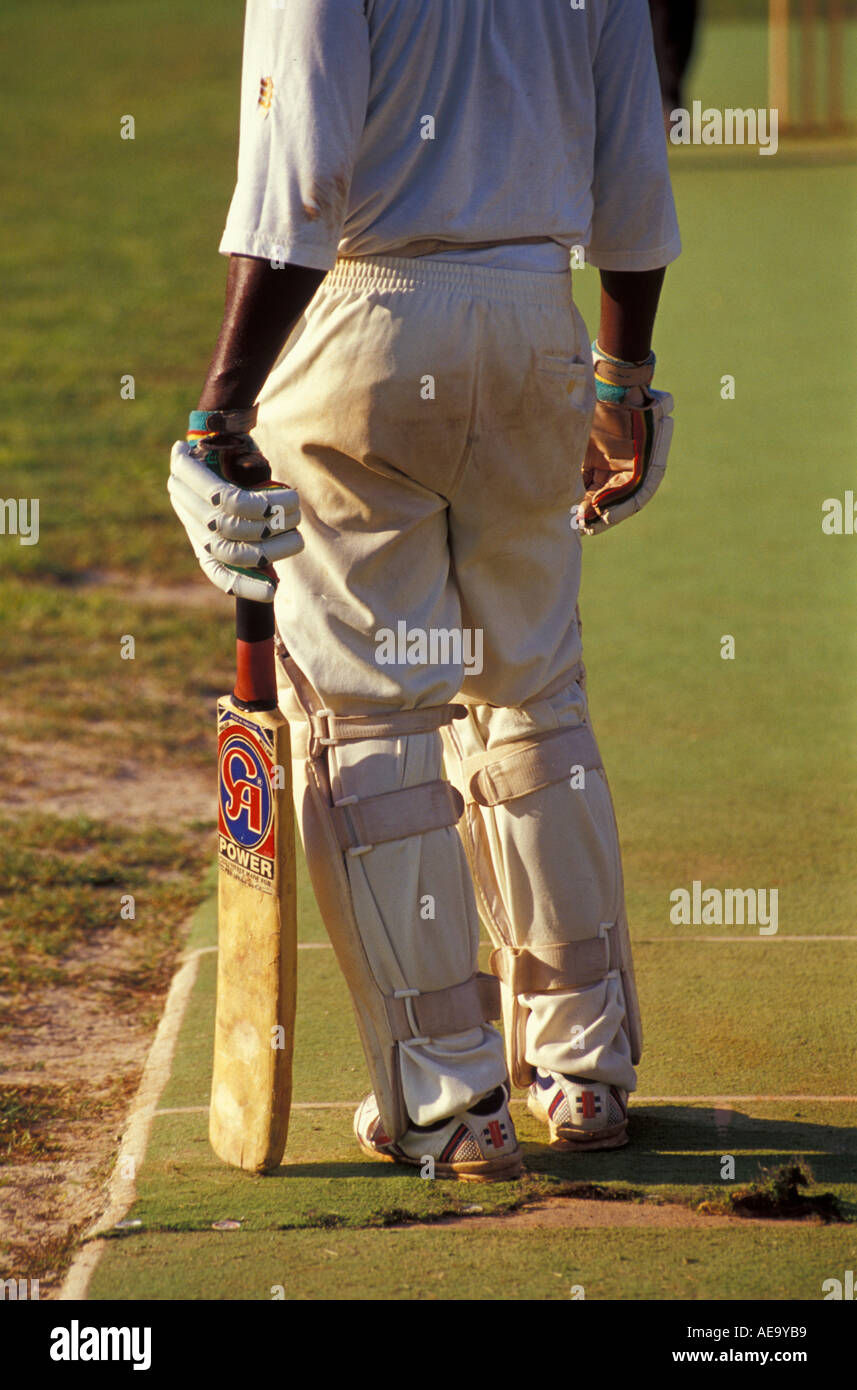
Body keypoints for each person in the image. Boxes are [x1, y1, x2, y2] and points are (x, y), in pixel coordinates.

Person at [169, 0, 680, 1182]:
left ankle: (453, 1103)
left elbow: (296, 186)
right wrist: (625, 377)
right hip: (535, 331)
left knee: (373, 720)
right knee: (533, 698)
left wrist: (221, 407)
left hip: (363, 325)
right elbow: (632, 175)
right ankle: (581, 1069)